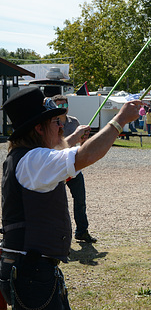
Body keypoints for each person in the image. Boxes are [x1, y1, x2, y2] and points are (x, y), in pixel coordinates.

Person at [0, 87, 140, 310]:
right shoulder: (33, 160)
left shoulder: (28, 157)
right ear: (39, 128)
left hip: (33, 270)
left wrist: (72, 138)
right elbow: (84, 157)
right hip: (32, 271)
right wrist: (118, 121)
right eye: (56, 122)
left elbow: (60, 155)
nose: (61, 125)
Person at [52, 94, 97, 243]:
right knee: (59, 204)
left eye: (64, 105)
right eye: (59, 106)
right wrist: (74, 137)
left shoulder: (75, 121)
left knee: (80, 201)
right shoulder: (52, 124)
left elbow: (81, 144)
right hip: (59, 168)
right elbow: (56, 147)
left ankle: (82, 231)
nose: (62, 109)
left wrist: (83, 139)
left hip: (75, 167)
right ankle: (61, 235)